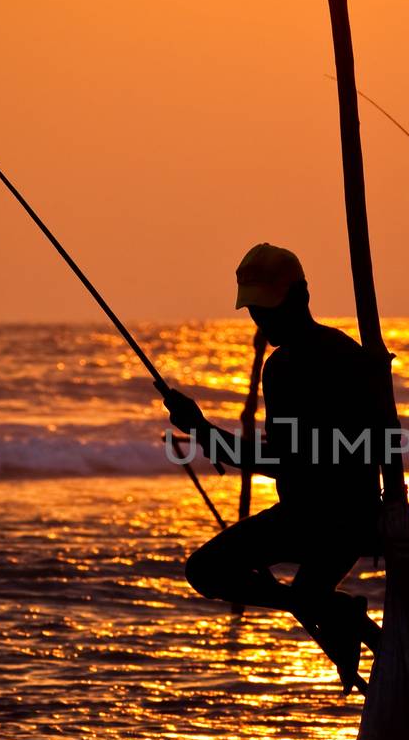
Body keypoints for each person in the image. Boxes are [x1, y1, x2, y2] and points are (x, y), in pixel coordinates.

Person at [161, 243, 383, 687]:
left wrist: (203, 429)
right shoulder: (336, 352)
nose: (262, 321)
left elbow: (283, 461)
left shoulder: (299, 366)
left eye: (269, 308)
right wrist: (207, 433)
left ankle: (335, 609)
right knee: (304, 595)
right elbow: (291, 457)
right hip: (331, 514)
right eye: (256, 311)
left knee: (205, 571)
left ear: (300, 296)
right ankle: (335, 609)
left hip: (332, 520)